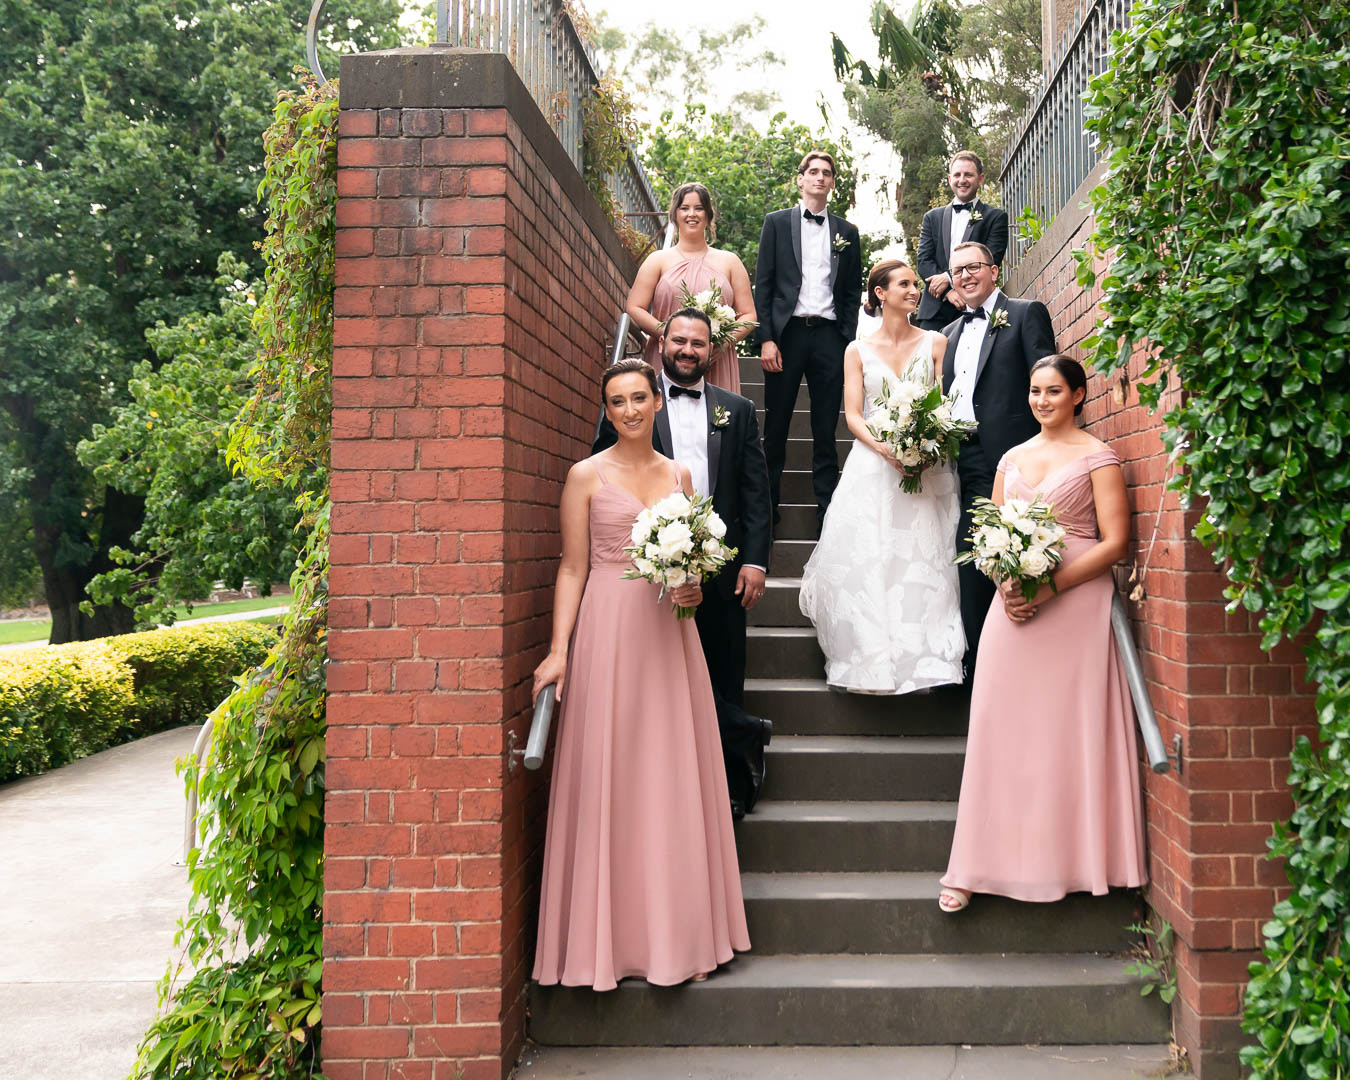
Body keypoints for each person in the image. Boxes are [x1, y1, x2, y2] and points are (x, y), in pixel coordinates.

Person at [532, 359, 749, 989]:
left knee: (669, 774)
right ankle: (607, 942)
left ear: (657, 402)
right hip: (608, 630)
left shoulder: (680, 475)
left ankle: (681, 939)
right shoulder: (585, 475)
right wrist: (559, 650)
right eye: (616, 401)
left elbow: (694, 565)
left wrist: (693, 588)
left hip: (669, 635)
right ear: (607, 410)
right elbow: (572, 568)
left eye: (637, 398)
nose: (628, 410)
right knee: (613, 769)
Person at [939, 355, 1147, 912]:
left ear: (1077, 395)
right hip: (1013, 609)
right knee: (999, 729)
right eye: (1035, 391)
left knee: (1066, 733)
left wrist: (1051, 588)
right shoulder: (1011, 458)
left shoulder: (1099, 457)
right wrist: (1005, 583)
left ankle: (1074, 862)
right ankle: (975, 866)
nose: (1042, 401)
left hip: (1076, 606)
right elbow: (990, 534)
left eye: (1054, 391)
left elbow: (1114, 543)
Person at [594, 310, 774, 817]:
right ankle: (682, 784)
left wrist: (755, 562)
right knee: (665, 683)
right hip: (650, 573)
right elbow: (603, 480)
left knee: (723, 672)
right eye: (679, 340)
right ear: (661, 343)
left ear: (712, 350)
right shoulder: (635, 405)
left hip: (721, 568)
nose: (688, 350)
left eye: (698, 343)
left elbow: (755, 493)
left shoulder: (738, 410)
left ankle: (731, 786)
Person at [799, 260, 964, 693]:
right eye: (904, 284)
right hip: (874, 464)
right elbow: (854, 415)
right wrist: (888, 450)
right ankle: (872, 659)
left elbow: (945, 406)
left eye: (916, 284)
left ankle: (927, 660)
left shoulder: (936, 342)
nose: (914, 290)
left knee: (923, 559)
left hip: (926, 468)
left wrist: (925, 446)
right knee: (874, 557)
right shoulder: (856, 350)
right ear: (879, 293)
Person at [942, 240, 1057, 674]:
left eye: (973, 267)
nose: (965, 276)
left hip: (1017, 459)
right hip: (964, 461)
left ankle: (1026, 667)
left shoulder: (1026, 314)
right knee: (973, 559)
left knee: (1021, 558)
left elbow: (1048, 384)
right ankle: (980, 669)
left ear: (994, 271)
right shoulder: (948, 334)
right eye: (957, 271)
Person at [754, 150, 864, 535]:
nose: (819, 177)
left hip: (830, 337)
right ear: (800, 179)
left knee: (825, 429)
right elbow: (764, 285)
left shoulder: (847, 232)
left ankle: (826, 516)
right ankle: (767, 514)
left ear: (832, 182)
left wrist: (847, 339)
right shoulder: (776, 223)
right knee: (776, 426)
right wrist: (767, 339)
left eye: (826, 173)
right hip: (788, 335)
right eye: (813, 171)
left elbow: (851, 291)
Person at [626, 182, 757, 394]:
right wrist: (669, 334)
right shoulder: (658, 260)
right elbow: (634, 307)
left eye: (699, 208)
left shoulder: (730, 262)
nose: (692, 214)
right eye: (684, 208)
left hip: (715, 360)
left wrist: (722, 342)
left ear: (708, 215)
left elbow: (749, 314)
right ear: (675, 214)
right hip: (667, 357)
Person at [915, 151, 1010, 333]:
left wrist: (949, 277)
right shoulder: (932, 217)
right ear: (950, 179)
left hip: (974, 307)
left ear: (980, 179)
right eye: (957, 175)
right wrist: (948, 292)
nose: (962, 180)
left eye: (968, 175)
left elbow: (991, 259)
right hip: (935, 311)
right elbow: (924, 261)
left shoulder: (995, 217)